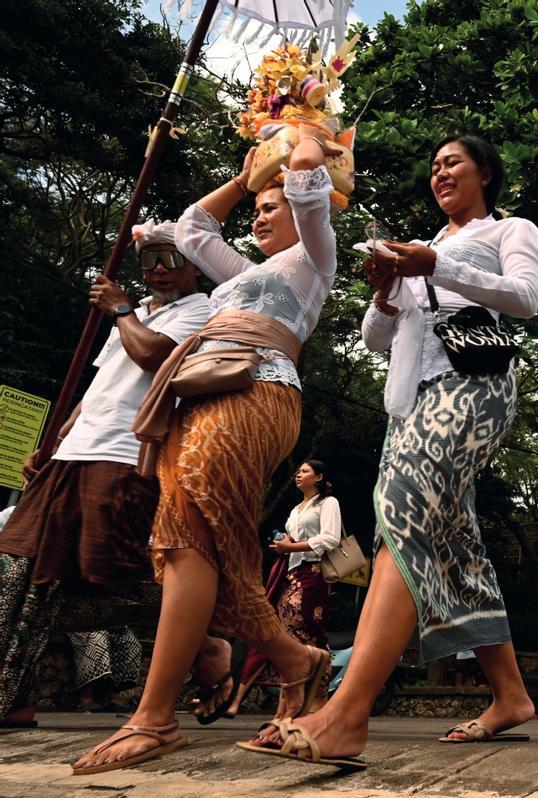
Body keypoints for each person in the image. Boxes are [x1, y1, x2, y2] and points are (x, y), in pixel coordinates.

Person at [243, 133, 538, 766]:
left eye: (453, 163)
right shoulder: (422, 245)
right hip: (410, 403)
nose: (440, 174)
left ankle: (348, 713)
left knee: (399, 512)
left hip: (472, 387)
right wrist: (386, 286)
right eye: (433, 167)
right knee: (450, 542)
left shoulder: (511, 229)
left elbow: (525, 298)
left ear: (485, 172)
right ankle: (511, 696)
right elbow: (378, 337)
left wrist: (436, 268)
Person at [72, 129, 340, 774]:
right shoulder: (242, 274)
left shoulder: (312, 259)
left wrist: (293, 138)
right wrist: (247, 179)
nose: (259, 215)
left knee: (195, 533)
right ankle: (294, 660)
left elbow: (306, 177)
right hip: (195, 398)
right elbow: (192, 230)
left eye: (270, 208)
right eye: (257, 208)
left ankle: (153, 716)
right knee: (186, 533)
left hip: (260, 389)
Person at [0, 220, 211, 730]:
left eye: (171, 258)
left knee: (115, 575)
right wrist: (53, 444)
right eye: (149, 259)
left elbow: (154, 358)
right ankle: (14, 699)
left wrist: (121, 309)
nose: (158, 269)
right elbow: (96, 391)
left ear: (197, 264)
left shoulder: (201, 311)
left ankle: (209, 630)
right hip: (72, 456)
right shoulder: (136, 315)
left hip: (124, 456)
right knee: (14, 573)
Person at [227, 460, 343, 718]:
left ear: (320, 477)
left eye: (304, 471)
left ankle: (315, 698)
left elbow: (330, 538)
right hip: (289, 575)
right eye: (298, 471)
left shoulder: (328, 503)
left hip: (313, 575)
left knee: (305, 630)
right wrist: (285, 542)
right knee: (282, 633)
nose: (298, 475)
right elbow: (291, 541)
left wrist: (291, 547)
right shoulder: (296, 509)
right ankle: (302, 698)